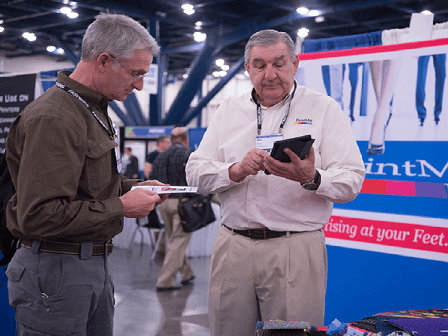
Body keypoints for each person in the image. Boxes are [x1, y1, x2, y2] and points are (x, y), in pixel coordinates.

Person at [186, 29, 365, 336]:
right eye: (259, 65)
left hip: (295, 246)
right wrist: (236, 169)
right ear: (247, 69)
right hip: (233, 244)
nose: (270, 75)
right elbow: (195, 173)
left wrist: (312, 177)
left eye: (279, 64)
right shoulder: (229, 109)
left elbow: (352, 180)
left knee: (292, 333)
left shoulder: (323, 109)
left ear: (295, 64)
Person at [5, 13, 168, 336]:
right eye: (136, 74)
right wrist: (123, 206)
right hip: (55, 271)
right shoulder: (54, 118)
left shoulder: (91, 110)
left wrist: (135, 188)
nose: (139, 85)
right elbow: (39, 215)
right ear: (104, 61)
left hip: (91, 264)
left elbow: (89, 183)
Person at [150, 127, 195, 291]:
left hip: (164, 204)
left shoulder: (161, 156)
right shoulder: (189, 153)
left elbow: (152, 179)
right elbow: (195, 178)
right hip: (182, 204)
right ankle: (165, 281)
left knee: (175, 240)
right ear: (185, 139)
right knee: (178, 242)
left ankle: (187, 273)